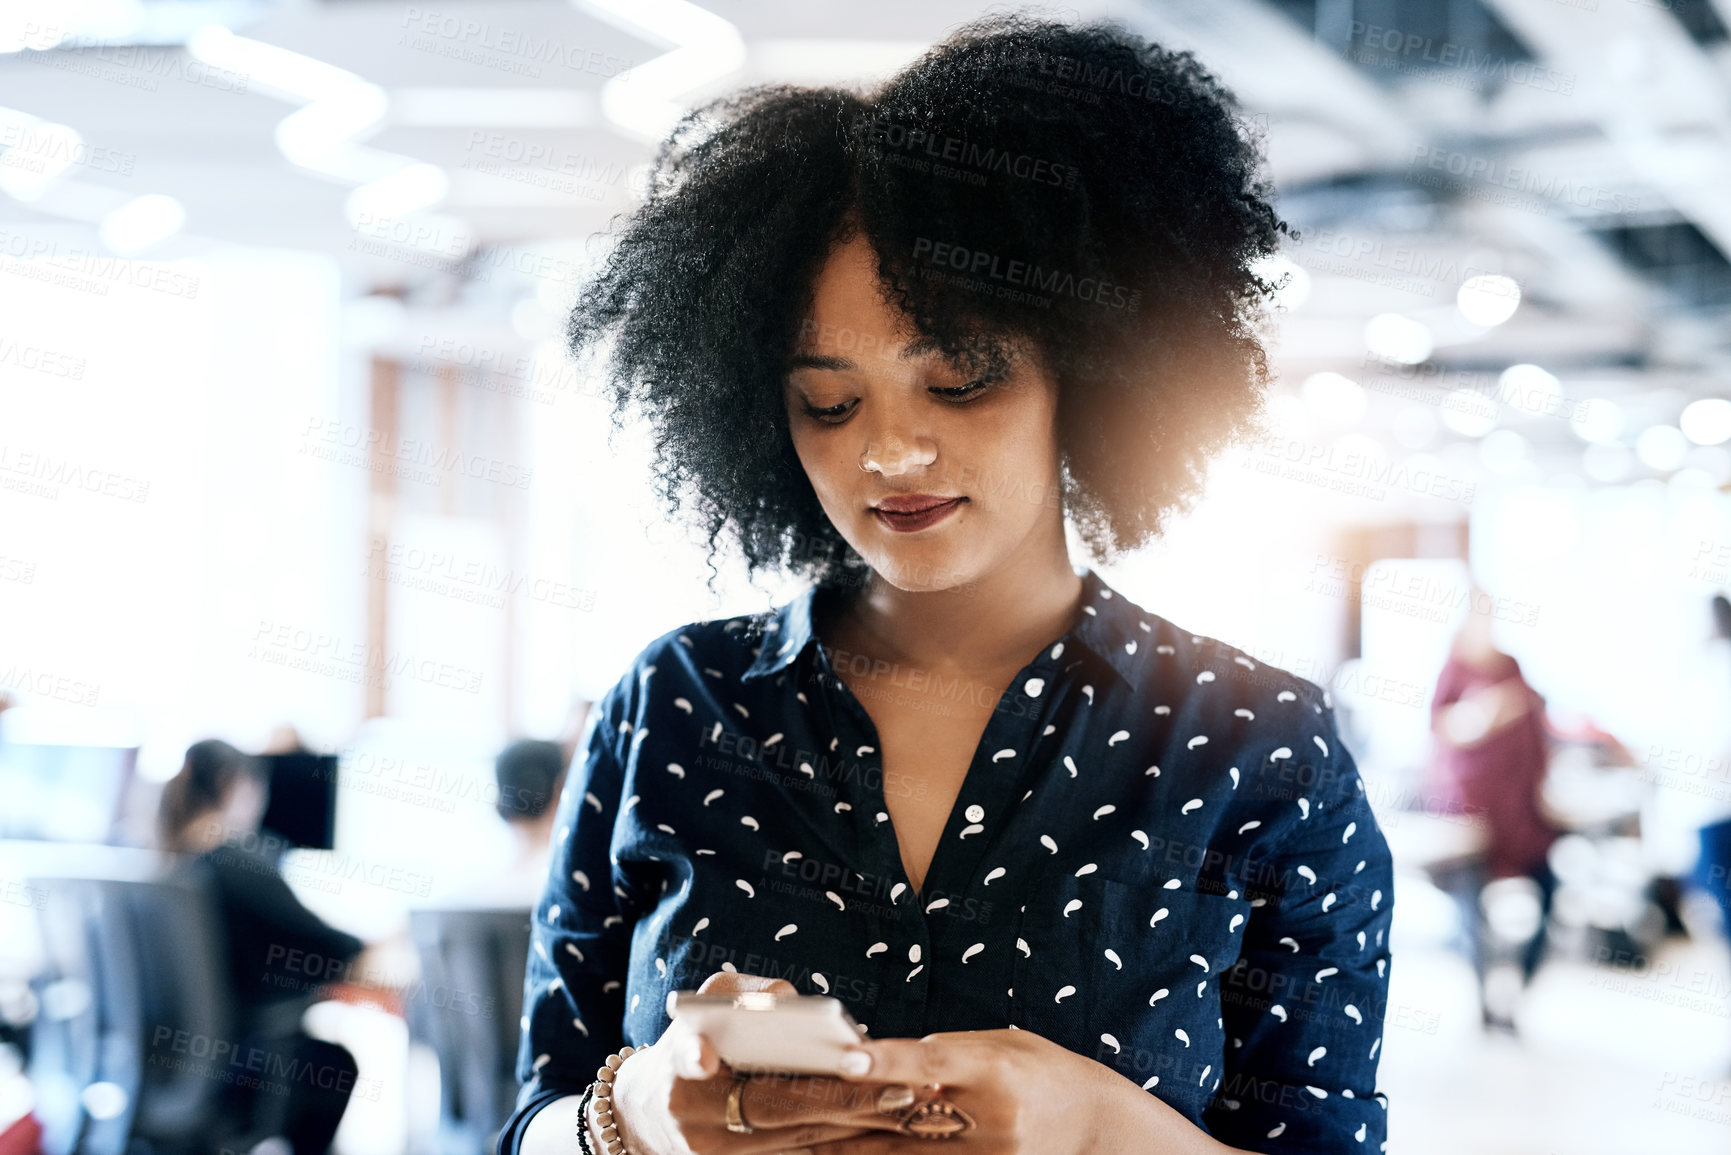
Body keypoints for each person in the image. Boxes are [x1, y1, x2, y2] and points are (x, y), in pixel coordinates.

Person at [502, 16, 1395, 1155]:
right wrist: (625, 1112)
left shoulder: (1256, 745)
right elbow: (525, 1115)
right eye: (830, 402)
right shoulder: (677, 702)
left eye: (961, 380)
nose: (891, 454)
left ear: (1092, 370)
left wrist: (1097, 1126)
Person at [158, 739, 366, 1155]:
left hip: (179, 1065)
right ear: (230, 785)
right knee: (333, 1067)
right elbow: (337, 948)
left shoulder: (173, 865)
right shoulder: (237, 863)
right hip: (244, 1060)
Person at [1427, 600, 1560, 1030]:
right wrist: (1485, 714)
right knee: (1472, 911)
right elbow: (1443, 731)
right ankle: (1484, 1004)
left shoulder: (1512, 667)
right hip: (1471, 814)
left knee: (1548, 890)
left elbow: (1538, 732)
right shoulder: (1453, 671)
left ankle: (1517, 993)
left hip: (1521, 811)